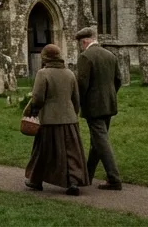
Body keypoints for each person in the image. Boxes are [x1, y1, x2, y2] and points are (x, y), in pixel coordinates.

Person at [22, 43, 88, 195]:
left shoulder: (43, 73)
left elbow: (38, 98)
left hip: (50, 119)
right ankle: (73, 182)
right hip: (70, 119)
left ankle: (35, 180)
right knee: (72, 153)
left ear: (45, 57)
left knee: (43, 151)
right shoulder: (70, 74)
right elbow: (76, 98)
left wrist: (34, 110)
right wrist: (74, 113)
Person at [74, 27, 123, 190]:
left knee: (101, 141)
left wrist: (77, 103)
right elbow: (118, 80)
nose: (80, 47)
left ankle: (114, 178)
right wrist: (110, 95)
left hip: (94, 106)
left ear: (85, 41)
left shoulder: (85, 57)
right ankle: (87, 175)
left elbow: (81, 84)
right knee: (97, 142)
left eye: (80, 43)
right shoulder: (110, 55)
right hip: (109, 103)